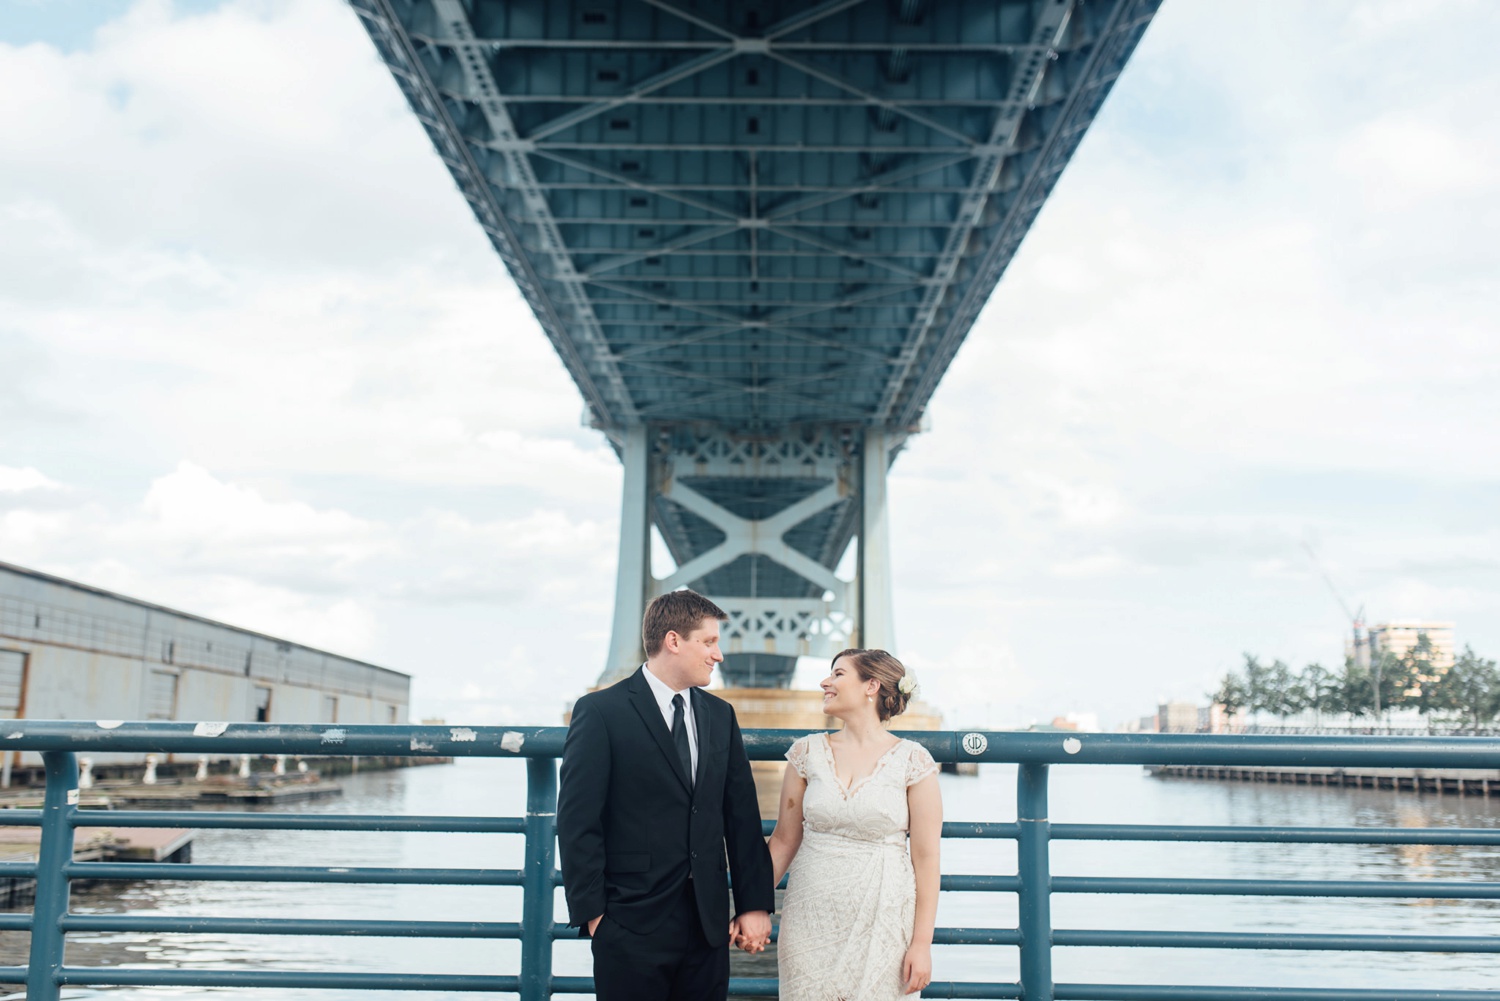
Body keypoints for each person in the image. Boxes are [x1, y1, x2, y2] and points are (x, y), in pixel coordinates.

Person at [557, 589, 774, 1001]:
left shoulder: (720, 715)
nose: (719, 655)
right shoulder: (601, 711)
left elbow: (740, 816)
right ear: (673, 641)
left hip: (708, 926)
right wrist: (596, 917)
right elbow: (577, 821)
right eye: (709, 642)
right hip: (629, 922)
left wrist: (753, 904)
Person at [765, 648, 942, 999]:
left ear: (871, 686)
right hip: (809, 919)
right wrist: (752, 907)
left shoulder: (913, 760)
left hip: (884, 918)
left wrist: (921, 944)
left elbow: (926, 859)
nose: (825, 682)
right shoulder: (806, 753)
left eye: (838, 674)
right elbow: (784, 840)